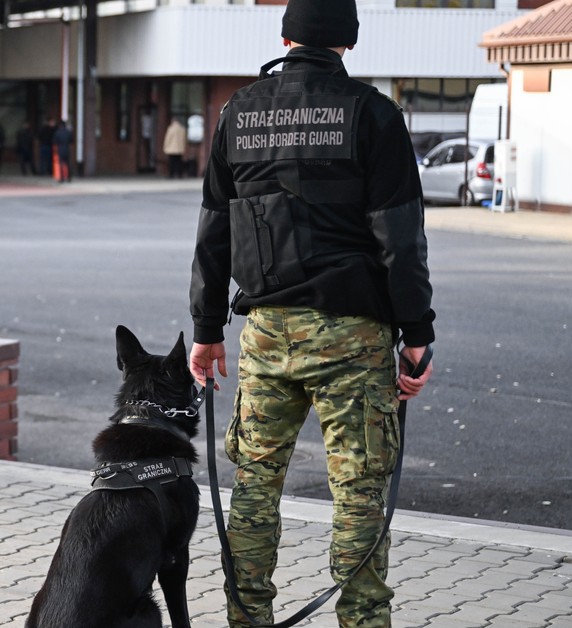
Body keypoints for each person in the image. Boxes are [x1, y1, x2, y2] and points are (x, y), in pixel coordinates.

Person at [187, 1, 435, 626]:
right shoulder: (373, 115)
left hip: (268, 335)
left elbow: (214, 231)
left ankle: (247, 619)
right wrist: (417, 335)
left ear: (285, 35)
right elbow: (401, 239)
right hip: (354, 337)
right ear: (347, 43)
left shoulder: (238, 112)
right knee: (358, 494)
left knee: (254, 487)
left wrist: (208, 330)